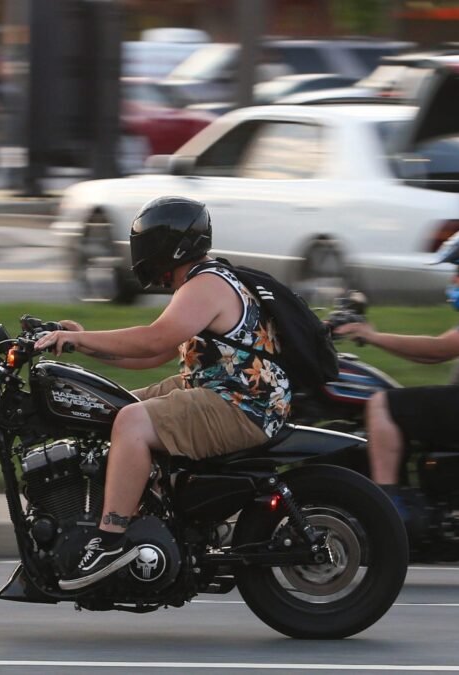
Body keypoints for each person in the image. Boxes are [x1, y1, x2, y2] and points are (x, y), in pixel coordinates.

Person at [35, 196, 291, 590]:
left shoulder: (207, 285)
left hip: (244, 404)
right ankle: (144, 511)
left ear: (168, 245)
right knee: (109, 409)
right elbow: (154, 352)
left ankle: (110, 540)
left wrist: (75, 339)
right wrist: (82, 342)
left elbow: (153, 338)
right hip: (220, 392)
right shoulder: (203, 283)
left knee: (132, 422)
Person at [332, 226, 459, 521]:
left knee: (381, 404)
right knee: (394, 400)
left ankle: (387, 510)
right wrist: (371, 336)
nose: (456, 278)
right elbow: (428, 357)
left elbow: (438, 350)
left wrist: (373, 336)